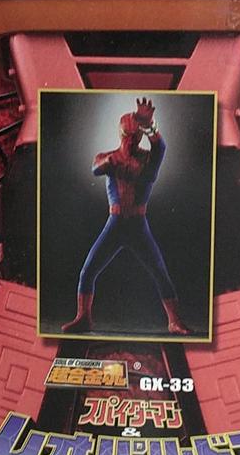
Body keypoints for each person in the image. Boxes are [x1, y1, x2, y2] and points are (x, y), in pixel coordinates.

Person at [62, 98, 190, 336]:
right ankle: (83, 317)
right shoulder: (109, 158)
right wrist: (110, 161)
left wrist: (149, 126)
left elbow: (161, 148)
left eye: (135, 136)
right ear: (121, 134)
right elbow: (96, 167)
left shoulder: (148, 159)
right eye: (127, 136)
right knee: (88, 270)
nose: (131, 141)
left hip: (138, 224)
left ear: (140, 136)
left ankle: (174, 320)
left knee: (160, 272)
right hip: (116, 223)